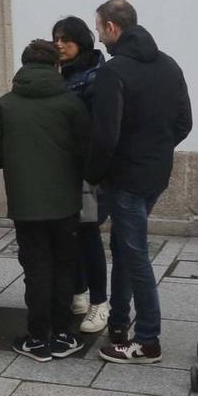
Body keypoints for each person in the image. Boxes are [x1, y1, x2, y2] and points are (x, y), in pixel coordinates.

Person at [87, 0, 193, 365]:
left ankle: (147, 340)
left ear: (112, 28)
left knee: (135, 256)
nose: (98, 36)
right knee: (123, 246)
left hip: (125, 177)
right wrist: (157, 150)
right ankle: (118, 324)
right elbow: (184, 123)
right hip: (154, 174)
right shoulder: (169, 65)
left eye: (99, 28)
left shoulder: (113, 72)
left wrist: (95, 173)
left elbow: (105, 135)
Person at [0, 39, 94, 362]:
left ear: (24, 65)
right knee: (64, 265)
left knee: (36, 267)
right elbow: (87, 149)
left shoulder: (5, 104)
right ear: (56, 66)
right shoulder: (71, 103)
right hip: (66, 203)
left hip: (26, 203)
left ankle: (36, 337)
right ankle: (61, 333)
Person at [53, 17, 110, 335]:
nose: (59, 44)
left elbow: (97, 128)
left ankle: (99, 303)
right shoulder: (59, 73)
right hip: (62, 168)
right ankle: (77, 292)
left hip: (86, 169)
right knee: (68, 232)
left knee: (88, 233)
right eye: (56, 39)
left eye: (66, 39)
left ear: (82, 41)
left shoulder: (94, 76)